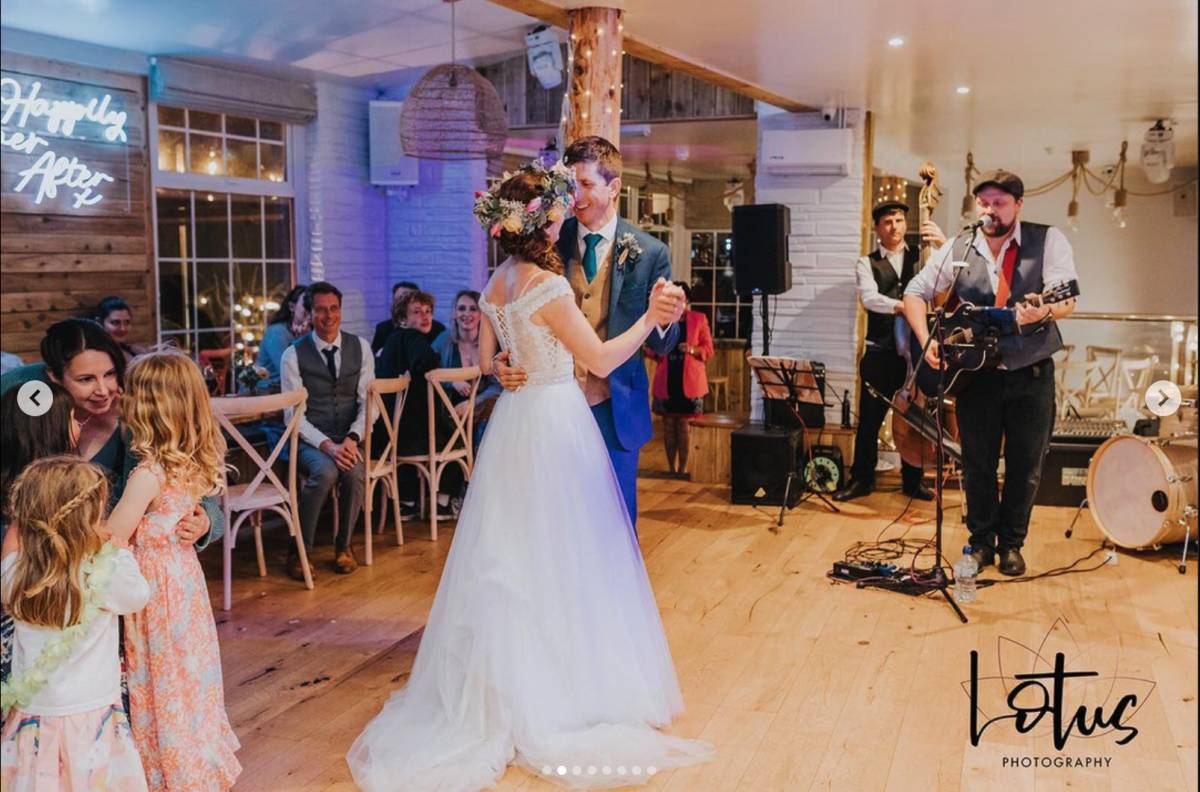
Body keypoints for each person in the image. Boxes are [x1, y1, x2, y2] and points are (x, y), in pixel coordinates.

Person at [347, 162, 708, 791]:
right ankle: (559, 691)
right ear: (544, 219)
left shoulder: (496, 281)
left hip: (514, 425)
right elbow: (596, 358)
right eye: (559, 205)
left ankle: (501, 684)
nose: (568, 210)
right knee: (565, 555)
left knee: (511, 555)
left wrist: (506, 367)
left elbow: (487, 361)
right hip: (554, 422)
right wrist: (649, 321)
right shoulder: (548, 287)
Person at [496, 136, 682, 528]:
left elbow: (663, 345)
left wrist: (664, 317)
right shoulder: (547, 238)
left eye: (584, 184)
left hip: (613, 409)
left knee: (615, 522)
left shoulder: (650, 253)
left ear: (613, 187)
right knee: (554, 524)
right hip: (550, 411)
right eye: (569, 184)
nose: (573, 196)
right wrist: (505, 358)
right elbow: (515, 309)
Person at [903, 170, 1078, 576]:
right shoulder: (960, 246)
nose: (990, 210)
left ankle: (1011, 544)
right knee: (977, 462)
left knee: (1025, 464)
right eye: (984, 203)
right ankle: (981, 542)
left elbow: (1067, 298)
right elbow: (915, 292)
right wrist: (925, 340)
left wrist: (1045, 310)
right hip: (976, 375)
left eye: (999, 203)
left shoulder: (1047, 240)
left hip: (1030, 372)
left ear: (1018, 204)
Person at [105, 351, 241, 790]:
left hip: (151, 589)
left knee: (158, 677)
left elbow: (113, 536)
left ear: (147, 407)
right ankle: (194, 755)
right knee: (187, 676)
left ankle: (164, 766)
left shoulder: (147, 471)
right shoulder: (194, 461)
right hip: (184, 585)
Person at [0, 457, 151, 791]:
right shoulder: (104, 573)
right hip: (92, 717)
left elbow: (10, 551)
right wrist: (119, 551)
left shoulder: (14, 572)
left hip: (32, 717)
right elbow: (138, 595)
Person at [0, 320, 219, 550]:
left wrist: (205, 521)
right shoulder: (25, 391)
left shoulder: (141, 414)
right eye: (86, 379)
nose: (103, 390)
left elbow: (197, 479)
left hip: (114, 559)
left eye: (110, 374)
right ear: (54, 376)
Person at [834, 202, 943, 503]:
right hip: (880, 352)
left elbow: (945, 282)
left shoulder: (923, 256)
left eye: (899, 220)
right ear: (877, 228)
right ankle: (862, 480)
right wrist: (903, 306)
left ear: (906, 224)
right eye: (887, 221)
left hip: (915, 353)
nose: (894, 226)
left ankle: (913, 481)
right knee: (869, 421)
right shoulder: (865, 263)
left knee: (914, 417)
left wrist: (942, 244)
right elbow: (870, 299)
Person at [280, 282, 374, 577]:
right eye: (321, 310)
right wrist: (327, 446)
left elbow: (368, 404)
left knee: (356, 473)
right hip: (310, 440)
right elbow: (293, 417)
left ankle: (344, 546)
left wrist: (352, 438)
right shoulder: (292, 356)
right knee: (325, 472)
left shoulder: (360, 348)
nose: (328, 316)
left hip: (347, 437)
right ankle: (300, 550)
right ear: (309, 314)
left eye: (334, 309)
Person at [0, 383, 78, 725]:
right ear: (54, 431)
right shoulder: (62, 502)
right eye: (74, 419)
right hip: (41, 641)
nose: (80, 425)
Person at [377, 290, 462, 517]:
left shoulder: (393, 341)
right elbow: (427, 360)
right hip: (413, 437)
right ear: (402, 319)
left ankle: (408, 500)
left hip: (389, 436)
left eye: (428, 312)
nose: (425, 317)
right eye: (417, 312)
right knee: (457, 437)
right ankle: (442, 502)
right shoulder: (410, 337)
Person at [647, 282, 713, 478]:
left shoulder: (699, 319)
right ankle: (671, 468)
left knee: (683, 427)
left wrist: (692, 350)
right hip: (667, 380)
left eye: (680, 300)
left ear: (687, 301)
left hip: (689, 383)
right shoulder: (662, 320)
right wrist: (656, 349)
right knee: (668, 426)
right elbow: (651, 349)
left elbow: (709, 350)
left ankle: (683, 469)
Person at [432, 289, 503, 444]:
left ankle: (481, 460)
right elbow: (429, 371)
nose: (467, 314)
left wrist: (473, 403)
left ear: (480, 314)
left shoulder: (490, 343)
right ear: (455, 314)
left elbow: (497, 385)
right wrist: (452, 381)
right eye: (461, 308)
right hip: (452, 409)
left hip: (482, 407)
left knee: (493, 408)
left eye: (473, 309)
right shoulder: (444, 341)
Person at [251, 284, 310, 395]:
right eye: (306, 304)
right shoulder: (277, 332)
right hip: (267, 389)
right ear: (292, 307)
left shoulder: (307, 331)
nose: (310, 308)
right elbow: (288, 371)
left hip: (288, 388)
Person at [371, 281, 447, 355]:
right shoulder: (384, 330)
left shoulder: (438, 329)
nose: (403, 302)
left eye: (427, 311)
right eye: (400, 299)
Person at [95, 295, 148, 363]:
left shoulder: (134, 351)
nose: (123, 328)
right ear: (99, 322)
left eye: (127, 322)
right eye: (115, 322)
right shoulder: (98, 355)